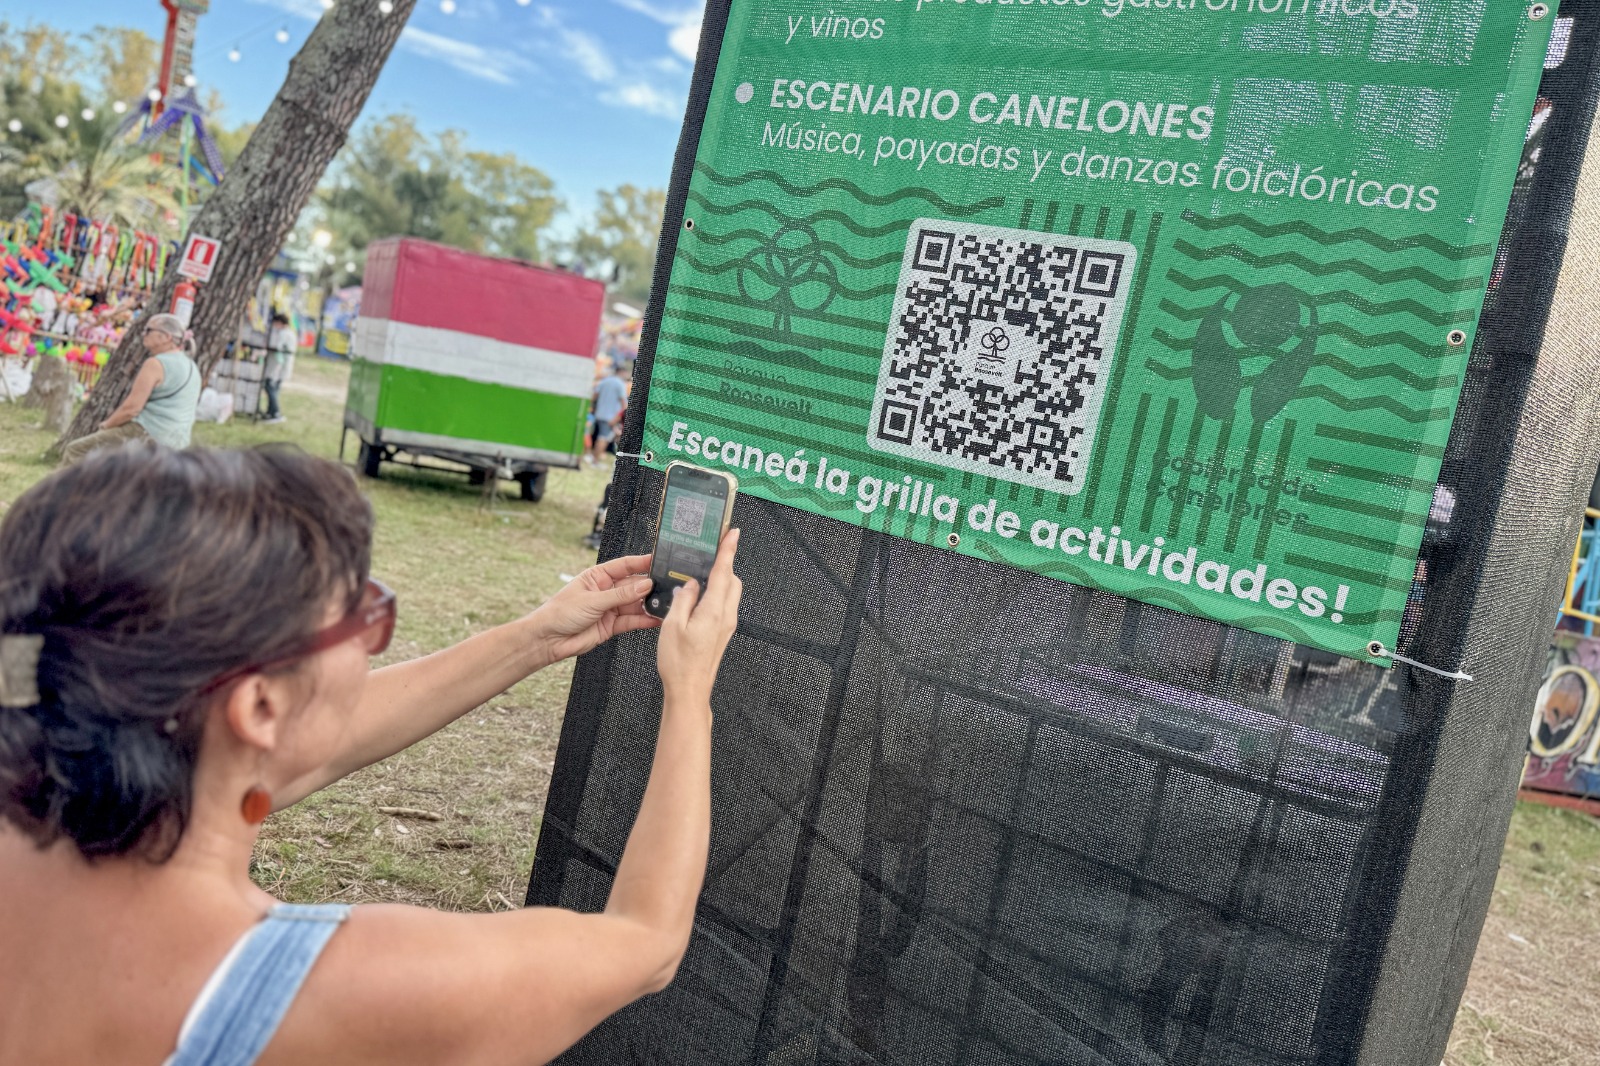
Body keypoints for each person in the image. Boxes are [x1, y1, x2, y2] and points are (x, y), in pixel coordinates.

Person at [0, 444, 741, 1065]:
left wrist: (537, 639)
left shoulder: (46, 790)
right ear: (259, 708)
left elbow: (308, 746)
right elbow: (645, 942)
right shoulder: (349, 987)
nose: (369, 635)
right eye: (359, 616)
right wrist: (690, 693)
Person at [58, 312, 202, 466]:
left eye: (148, 330)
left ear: (166, 337)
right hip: (178, 440)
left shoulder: (156, 363)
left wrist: (106, 425)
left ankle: (68, 482)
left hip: (147, 431)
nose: (143, 334)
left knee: (76, 450)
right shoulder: (191, 366)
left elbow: (132, 409)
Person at [589, 363, 630, 468]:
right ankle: (595, 461)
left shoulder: (605, 381)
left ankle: (593, 458)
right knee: (604, 438)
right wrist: (622, 416)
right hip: (611, 417)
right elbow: (624, 403)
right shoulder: (620, 384)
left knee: (599, 436)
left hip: (599, 414)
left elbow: (594, 396)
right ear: (621, 372)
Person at [262, 311, 295, 424]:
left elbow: (278, 348)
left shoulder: (283, 334)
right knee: (274, 389)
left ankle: (275, 412)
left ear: (280, 323)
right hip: (281, 366)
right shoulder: (290, 333)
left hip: (278, 365)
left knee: (270, 388)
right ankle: (270, 412)